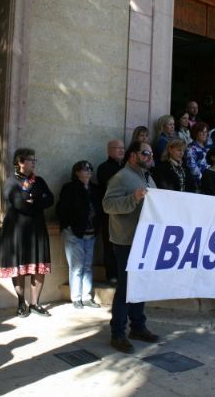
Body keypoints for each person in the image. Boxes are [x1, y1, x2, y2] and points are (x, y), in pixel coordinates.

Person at [103, 141, 159, 353]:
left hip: (145, 240)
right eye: (145, 153)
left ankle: (137, 326)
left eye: (151, 154)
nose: (149, 157)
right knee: (126, 288)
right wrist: (133, 199)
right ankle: (117, 333)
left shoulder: (148, 177)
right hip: (126, 241)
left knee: (140, 286)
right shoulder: (120, 177)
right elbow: (108, 205)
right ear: (133, 155)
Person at [0, 148, 54, 318]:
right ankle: (21, 302)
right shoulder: (11, 182)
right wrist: (36, 203)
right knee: (19, 267)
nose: (33, 163)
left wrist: (33, 201)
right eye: (30, 160)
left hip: (37, 229)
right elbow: (19, 204)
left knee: (38, 266)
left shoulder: (39, 181)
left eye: (34, 160)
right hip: (17, 230)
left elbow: (50, 199)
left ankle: (35, 303)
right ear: (20, 162)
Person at [56, 161, 101, 309]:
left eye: (89, 168)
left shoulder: (95, 188)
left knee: (87, 265)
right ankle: (76, 297)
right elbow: (62, 209)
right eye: (84, 168)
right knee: (76, 266)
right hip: (74, 232)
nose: (88, 171)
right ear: (76, 172)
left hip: (91, 232)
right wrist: (68, 226)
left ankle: (86, 297)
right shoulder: (69, 188)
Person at [97, 140, 125, 285]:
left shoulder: (126, 167)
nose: (121, 150)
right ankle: (112, 275)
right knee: (110, 245)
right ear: (109, 150)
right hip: (110, 213)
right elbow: (112, 186)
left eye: (123, 148)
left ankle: (123, 275)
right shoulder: (104, 167)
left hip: (126, 213)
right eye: (117, 148)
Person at [184, 122, 209, 188]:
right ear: (195, 133)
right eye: (201, 131)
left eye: (206, 132)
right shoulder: (191, 148)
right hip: (198, 184)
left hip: (209, 181)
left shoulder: (207, 149)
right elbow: (193, 168)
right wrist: (204, 180)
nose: (204, 134)